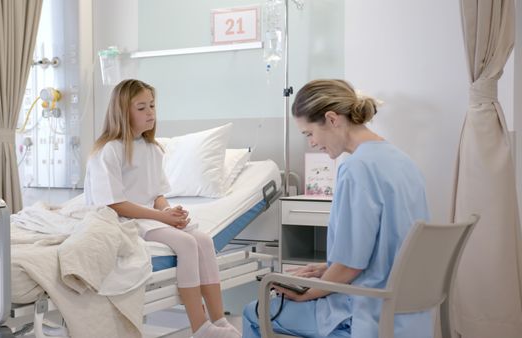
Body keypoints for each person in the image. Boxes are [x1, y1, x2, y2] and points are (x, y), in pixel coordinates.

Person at [242, 79, 433, 338]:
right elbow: (384, 249)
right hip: (410, 315)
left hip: (367, 313)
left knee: (255, 310)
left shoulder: (356, 169)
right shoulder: (403, 162)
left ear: (332, 119)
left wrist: (308, 291)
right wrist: (325, 268)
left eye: (309, 133)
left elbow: (351, 266)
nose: (311, 143)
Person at [84, 79, 240, 338]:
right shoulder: (109, 150)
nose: (151, 113)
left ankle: (219, 320)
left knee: (203, 240)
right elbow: (114, 202)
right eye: (142, 108)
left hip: (150, 216)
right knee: (186, 244)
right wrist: (161, 217)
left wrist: (170, 211)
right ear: (123, 112)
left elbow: (157, 193)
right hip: (122, 218)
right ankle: (199, 327)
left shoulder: (153, 149)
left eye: (153, 106)